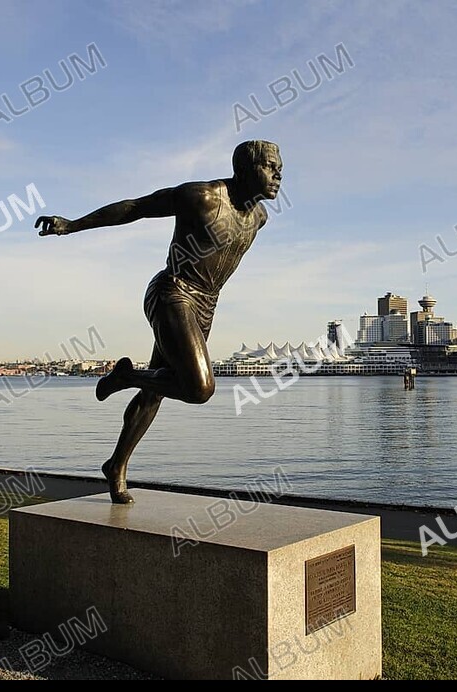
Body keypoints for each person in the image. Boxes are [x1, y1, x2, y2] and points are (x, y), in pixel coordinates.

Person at [35, 141, 283, 504]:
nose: (279, 175)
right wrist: (71, 225)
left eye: (281, 169)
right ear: (245, 169)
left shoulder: (260, 218)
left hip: (205, 306)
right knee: (199, 388)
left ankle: (116, 466)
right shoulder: (202, 197)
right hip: (173, 291)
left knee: (156, 391)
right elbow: (136, 208)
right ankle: (124, 377)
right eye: (271, 167)